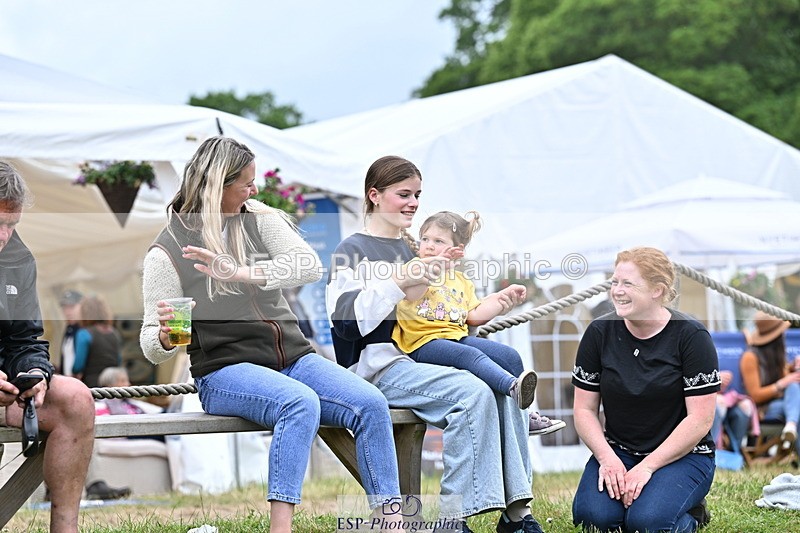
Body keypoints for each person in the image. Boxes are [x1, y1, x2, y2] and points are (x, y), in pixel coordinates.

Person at [139, 136, 401, 533]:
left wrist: (242, 272)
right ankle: (282, 528)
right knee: (299, 403)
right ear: (216, 187)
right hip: (223, 371)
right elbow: (152, 348)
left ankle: (392, 523)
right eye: (245, 183)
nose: (254, 190)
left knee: (371, 403)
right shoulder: (166, 253)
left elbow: (308, 267)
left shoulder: (257, 217)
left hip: (294, 358)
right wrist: (164, 335)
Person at [326, 155, 544, 533]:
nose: (412, 202)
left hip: (425, 358)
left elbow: (443, 317)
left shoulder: (415, 247)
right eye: (403, 194)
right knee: (472, 392)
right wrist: (398, 281)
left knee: (503, 377)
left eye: (417, 195)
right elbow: (345, 324)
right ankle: (452, 520)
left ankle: (517, 513)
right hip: (379, 368)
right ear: (374, 196)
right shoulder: (353, 249)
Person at [571, 246, 719, 533]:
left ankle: (693, 514)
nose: (617, 291)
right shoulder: (599, 333)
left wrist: (647, 467)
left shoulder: (691, 336)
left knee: (645, 524)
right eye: (614, 282)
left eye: (628, 283)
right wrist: (607, 459)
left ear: (657, 290)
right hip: (619, 451)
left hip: (684, 455)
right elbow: (584, 409)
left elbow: (700, 420)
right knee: (593, 520)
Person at [0, 161, 95, 533]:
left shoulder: (18, 259)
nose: (4, 236)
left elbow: (24, 338)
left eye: (11, 225)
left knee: (76, 398)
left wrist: (34, 374)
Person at [740, 311, 800, 454]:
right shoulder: (750, 357)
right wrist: (781, 384)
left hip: (783, 404)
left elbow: (785, 378)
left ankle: (791, 424)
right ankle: (791, 424)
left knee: (793, 386)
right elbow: (755, 395)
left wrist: (793, 368)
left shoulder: (776, 355)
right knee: (792, 388)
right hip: (761, 410)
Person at [72, 294, 122, 387]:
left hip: (92, 385)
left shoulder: (84, 334)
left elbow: (78, 366)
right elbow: (118, 361)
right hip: (112, 386)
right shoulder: (114, 333)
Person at [57, 289, 83, 376]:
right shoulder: (68, 330)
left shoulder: (86, 330)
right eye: (65, 308)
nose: (67, 312)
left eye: (72, 307)